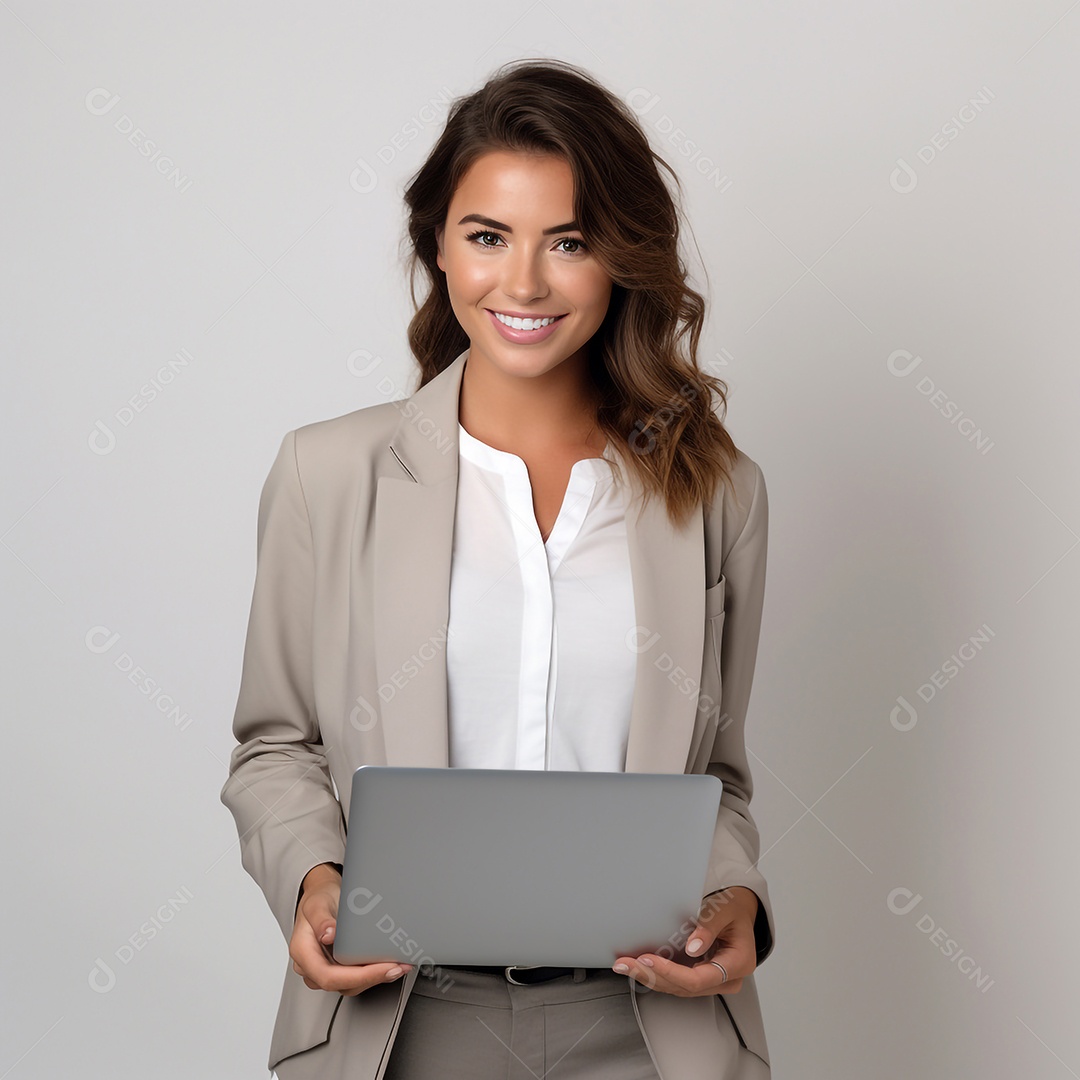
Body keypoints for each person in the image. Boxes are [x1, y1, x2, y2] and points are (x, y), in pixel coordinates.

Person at [220, 58, 775, 1080]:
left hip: (647, 1027)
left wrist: (737, 900)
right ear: (438, 245)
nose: (523, 283)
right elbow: (275, 746)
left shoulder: (717, 493)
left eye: (568, 242)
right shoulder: (327, 474)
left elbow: (719, 782)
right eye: (488, 237)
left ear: (622, 259)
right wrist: (312, 874)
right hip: (401, 1022)